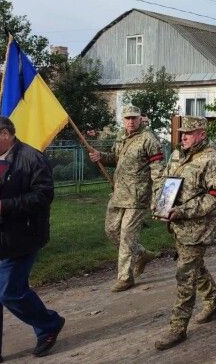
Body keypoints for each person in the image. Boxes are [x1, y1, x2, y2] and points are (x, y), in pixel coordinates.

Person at [0, 115, 65, 361]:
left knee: (9, 293)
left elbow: (43, 197)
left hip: (13, 241)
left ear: (5, 134)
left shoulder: (31, 158)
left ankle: (49, 324)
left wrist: (4, 206)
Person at [153, 116, 216, 351]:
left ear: (201, 135)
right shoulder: (177, 155)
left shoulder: (212, 160)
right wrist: (160, 203)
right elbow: (167, 182)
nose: (183, 136)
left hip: (197, 228)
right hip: (176, 224)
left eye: (189, 133)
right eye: (181, 132)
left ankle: (177, 328)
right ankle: (215, 302)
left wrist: (183, 211)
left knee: (185, 275)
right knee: (195, 267)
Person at [89, 105, 164, 292]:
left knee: (127, 237)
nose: (131, 121)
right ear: (123, 120)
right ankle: (142, 254)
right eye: (127, 118)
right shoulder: (121, 136)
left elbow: (158, 171)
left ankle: (125, 277)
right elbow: (115, 158)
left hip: (138, 196)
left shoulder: (149, 139)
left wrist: (158, 196)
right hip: (118, 193)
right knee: (111, 230)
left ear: (140, 119)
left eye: (134, 118)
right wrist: (101, 157)